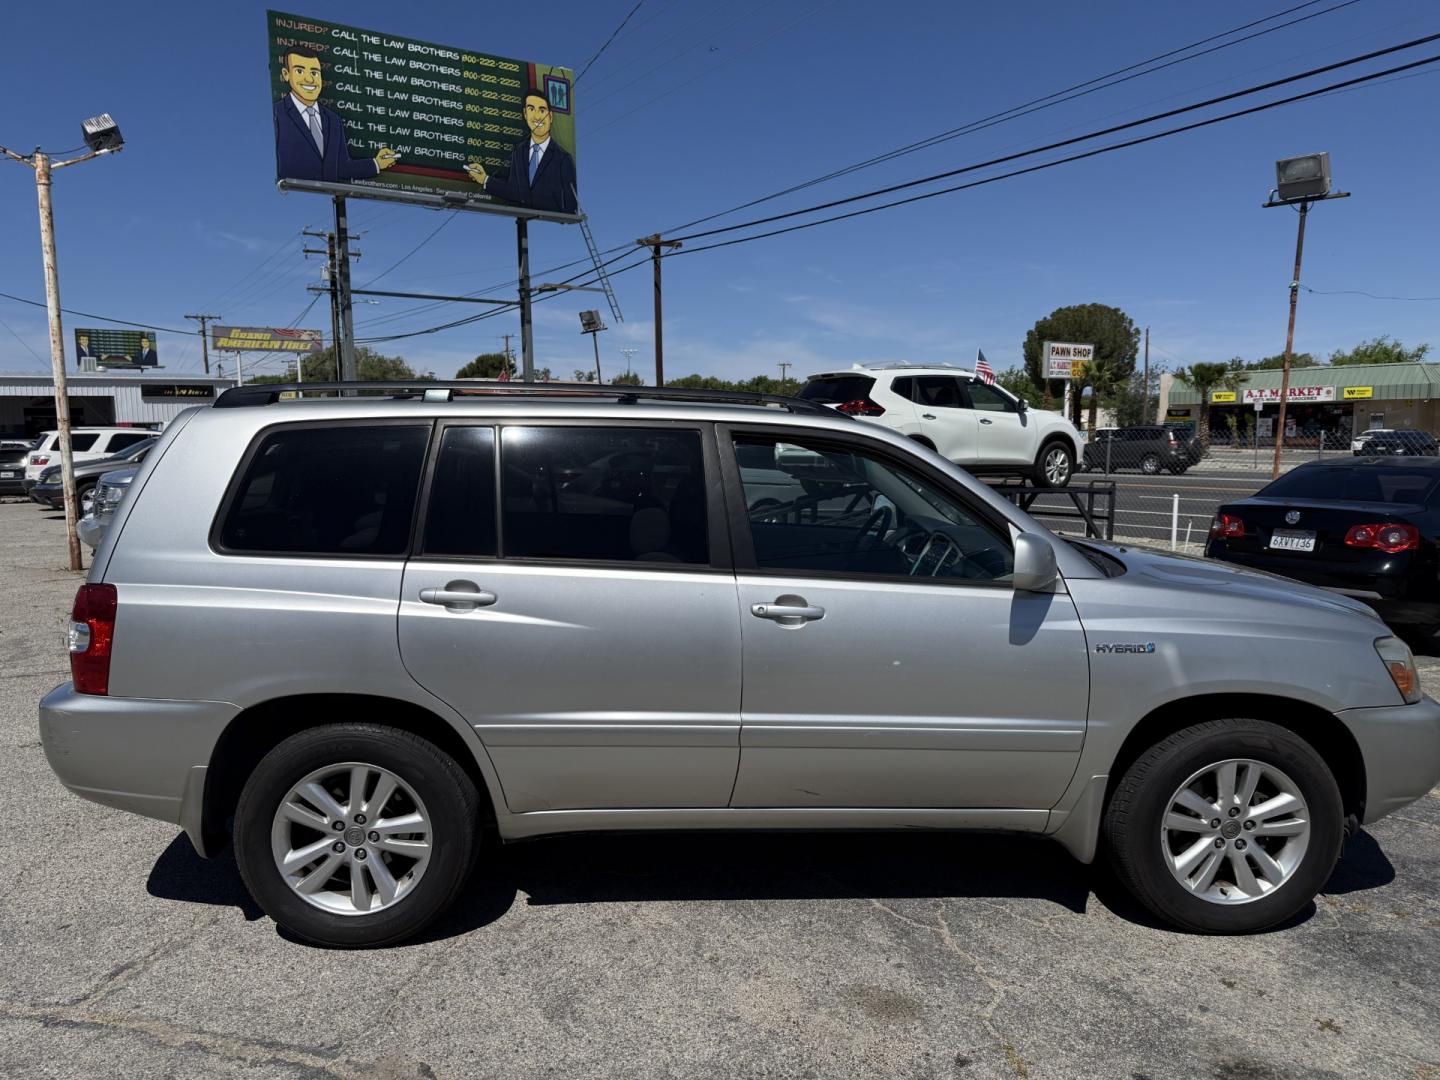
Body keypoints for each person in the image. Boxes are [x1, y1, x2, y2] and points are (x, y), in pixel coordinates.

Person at [273, 49, 399, 183]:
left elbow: (342, 167)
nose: (309, 79)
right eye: (300, 71)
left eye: (314, 73)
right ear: (286, 74)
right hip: (294, 200)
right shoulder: (278, 113)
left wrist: (377, 163)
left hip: (326, 197)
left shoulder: (333, 119)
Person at [465, 88, 577, 214]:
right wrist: (485, 179)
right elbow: (514, 191)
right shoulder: (519, 150)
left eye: (542, 110)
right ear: (525, 114)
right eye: (531, 109)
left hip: (548, 230)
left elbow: (570, 206)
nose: (537, 116)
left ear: (550, 116)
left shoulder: (563, 159)